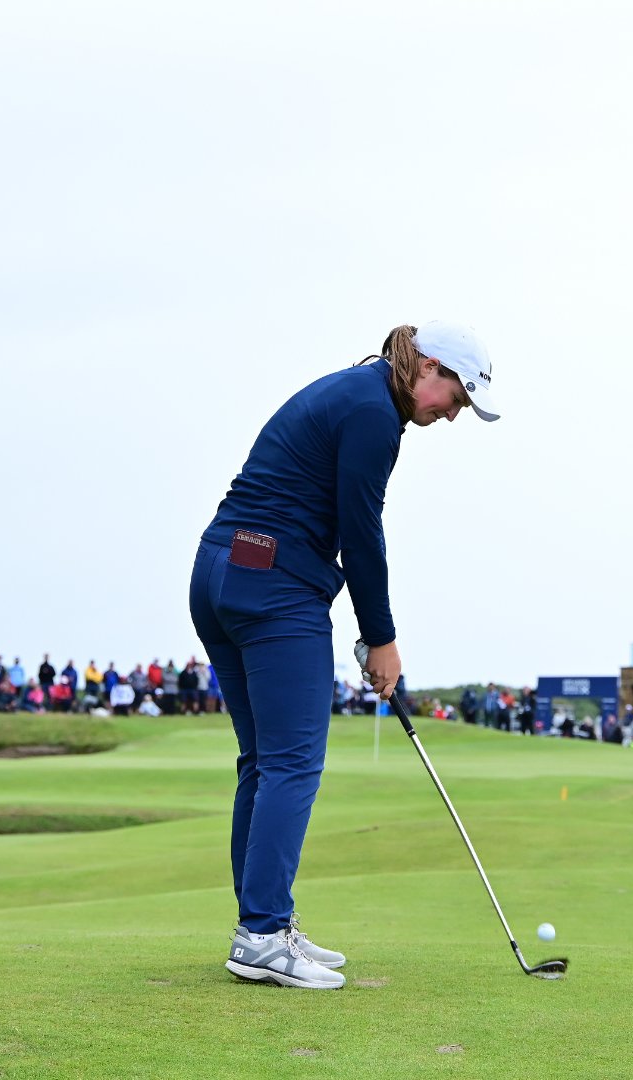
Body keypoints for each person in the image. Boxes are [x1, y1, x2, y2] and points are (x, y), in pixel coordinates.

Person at [189, 319, 498, 990]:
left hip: (223, 568)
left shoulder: (355, 392)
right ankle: (262, 935)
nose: (450, 414)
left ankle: (264, 922)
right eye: (456, 396)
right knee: (293, 763)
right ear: (428, 367)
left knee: (264, 763)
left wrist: (358, 626)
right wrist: (382, 639)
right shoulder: (372, 415)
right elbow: (361, 536)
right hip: (271, 585)